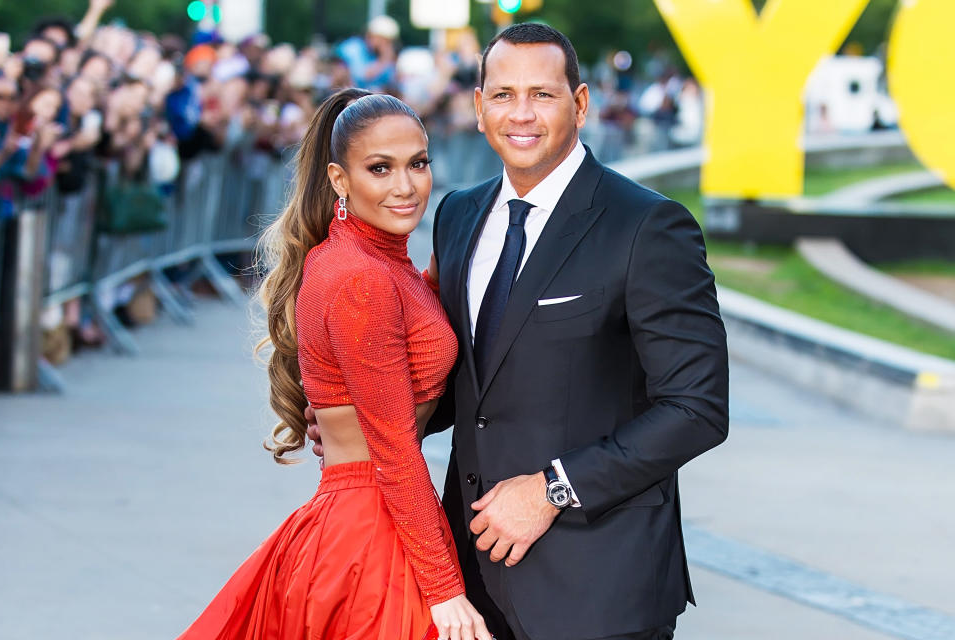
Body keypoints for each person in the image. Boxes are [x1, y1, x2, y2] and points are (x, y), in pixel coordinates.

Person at [306, 23, 729, 640]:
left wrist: (553, 490)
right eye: (503, 95)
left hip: (598, 589)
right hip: (469, 580)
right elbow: (477, 381)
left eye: (543, 94)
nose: (521, 114)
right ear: (478, 108)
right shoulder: (456, 214)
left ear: (580, 104)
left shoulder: (648, 227)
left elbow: (697, 409)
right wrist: (371, 417)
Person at [176, 89, 492, 640]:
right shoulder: (357, 277)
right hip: (372, 533)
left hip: (371, 519)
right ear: (340, 180)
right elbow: (393, 445)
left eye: (418, 164)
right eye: (380, 168)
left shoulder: (374, 262)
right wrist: (446, 591)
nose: (406, 186)